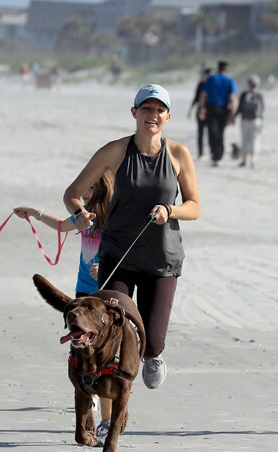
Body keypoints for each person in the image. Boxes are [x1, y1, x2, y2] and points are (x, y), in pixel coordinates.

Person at [64, 83, 200, 395]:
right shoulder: (115, 151)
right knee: (108, 329)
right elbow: (72, 193)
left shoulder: (178, 154)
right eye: (146, 109)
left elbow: (195, 207)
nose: (152, 114)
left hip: (162, 259)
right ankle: (105, 401)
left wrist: (170, 210)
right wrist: (79, 214)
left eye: (159, 110)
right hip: (118, 256)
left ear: (168, 117)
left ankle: (153, 357)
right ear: (134, 113)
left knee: (152, 343)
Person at [14, 170, 115, 445]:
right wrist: (34, 212)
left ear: (103, 187)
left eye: (90, 187)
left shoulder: (114, 217)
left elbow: (128, 249)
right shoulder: (85, 217)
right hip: (83, 294)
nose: (83, 193)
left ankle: (107, 422)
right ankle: (90, 404)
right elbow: (61, 226)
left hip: (106, 297)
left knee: (107, 361)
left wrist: (104, 268)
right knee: (83, 353)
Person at [198, 60, 238, 167]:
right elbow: (233, 98)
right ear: (226, 69)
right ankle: (219, 154)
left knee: (212, 132)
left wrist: (202, 108)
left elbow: (203, 94)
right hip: (224, 109)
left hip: (211, 108)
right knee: (220, 132)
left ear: (218, 68)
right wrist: (233, 113)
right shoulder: (230, 80)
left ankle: (215, 155)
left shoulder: (211, 79)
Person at [235, 74, 264, 168]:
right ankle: (253, 159)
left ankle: (244, 160)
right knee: (255, 139)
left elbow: (239, 108)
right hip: (256, 120)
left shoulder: (244, 94)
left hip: (245, 120)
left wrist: (233, 117)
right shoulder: (259, 95)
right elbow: (262, 108)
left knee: (245, 139)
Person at [187, 66, 211, 159]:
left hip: (205, 110)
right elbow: (196, 97)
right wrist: (190, 109)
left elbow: (196, 97)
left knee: (204, 132)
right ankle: (202, 152)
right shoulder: (202, 84)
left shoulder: (203, 84)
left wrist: (191, 109)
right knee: (204, 132)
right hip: (206, 110)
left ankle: (202, 152)